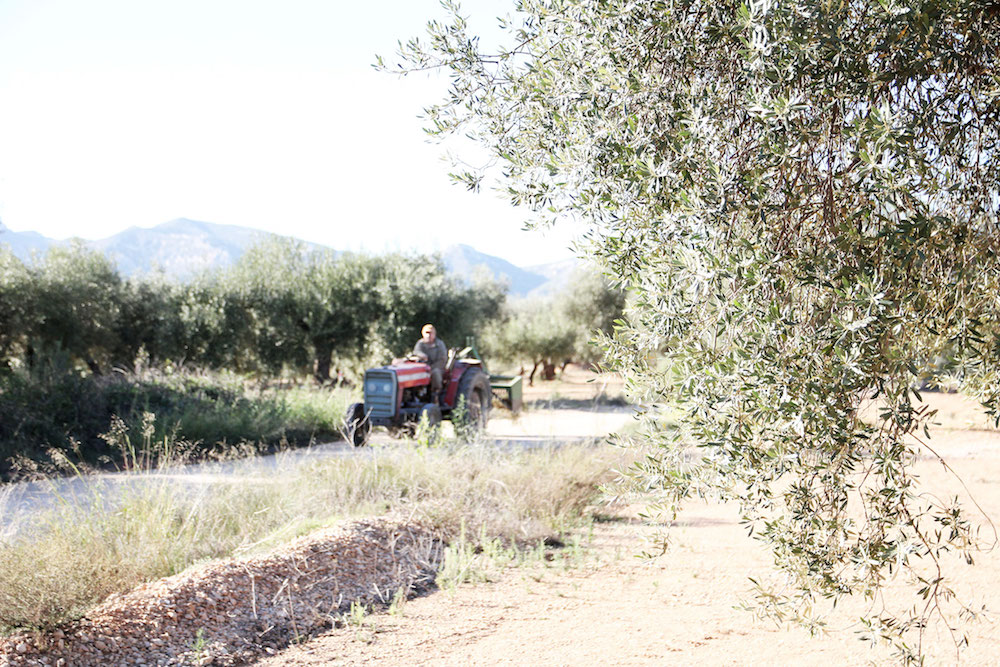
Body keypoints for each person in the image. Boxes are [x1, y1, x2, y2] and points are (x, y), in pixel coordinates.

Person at [413, 324, 447, 401]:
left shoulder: (440, 344)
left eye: (430, 333)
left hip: (437, 367)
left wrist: (431, 369)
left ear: (434, 334)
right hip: (423, 367)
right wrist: (422, 355)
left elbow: (442, 360)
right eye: (426, 333)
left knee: (435, 373)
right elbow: (416, 352)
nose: (428, 335)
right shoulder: (420, 343)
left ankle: (436, 394)